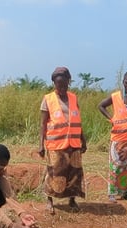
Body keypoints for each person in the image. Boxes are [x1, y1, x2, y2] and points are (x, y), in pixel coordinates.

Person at [39, 66, 87, 215]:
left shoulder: (73, 98)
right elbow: (42, 124)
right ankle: (49, 200)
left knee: (74, 173)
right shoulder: (48, 99)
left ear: (68, 82)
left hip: (73, 144)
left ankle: (72, 200)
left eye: (64, 84)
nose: (61, 87)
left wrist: (83, 140)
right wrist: (41, 145)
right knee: (54, 172)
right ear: (54, 83)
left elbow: (77, 121)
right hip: (55, 144)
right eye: (58, 84)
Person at [98, 71, 127, 202]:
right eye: (126, 82)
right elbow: (101, 106)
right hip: (118, 139)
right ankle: (112, 193)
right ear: (123, 82)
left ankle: (125, 192)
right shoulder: (116, 96)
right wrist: (111, 118)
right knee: (116, 166)